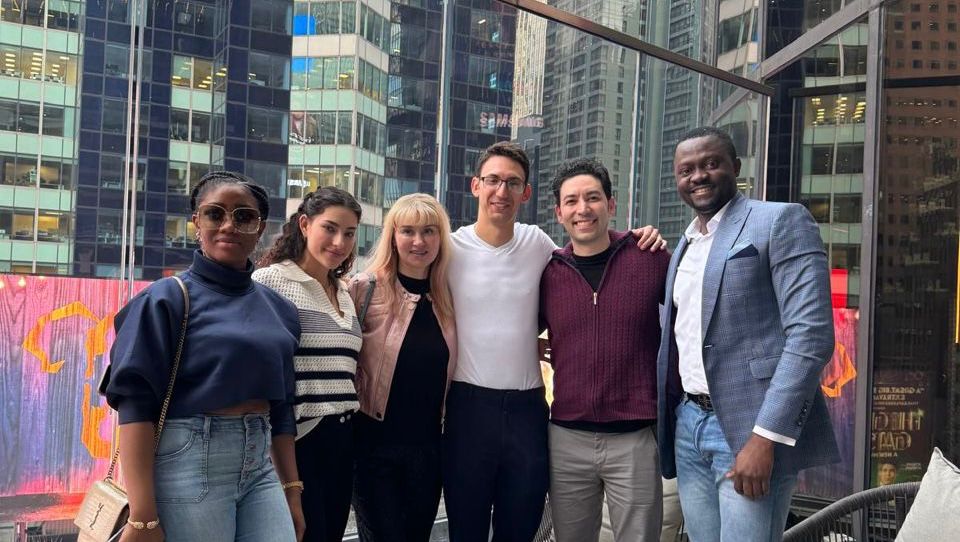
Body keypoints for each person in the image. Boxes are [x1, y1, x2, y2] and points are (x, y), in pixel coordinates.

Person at [442, 141, 666, 542]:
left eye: (513, 183)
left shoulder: (541, 247)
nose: (502, 191)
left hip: (530, 411)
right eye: (493, 180)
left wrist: (642, 236)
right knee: (466, 529)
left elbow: (590, 264)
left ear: (526, 193)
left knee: (521, 529)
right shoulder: (450, 250)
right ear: (475, 185)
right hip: (470, 408)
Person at [657, 127, 839, 542]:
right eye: (686, 170)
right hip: (689, 425)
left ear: (736, 167)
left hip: (748, 430)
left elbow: (810, 336)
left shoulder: (779, 220)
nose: (698, 176)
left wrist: (765, 437)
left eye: (710, 164)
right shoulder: (685, 244)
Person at [105, 171, 303, 542]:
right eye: (215, 214)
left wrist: (292, 489)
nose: (228, 225)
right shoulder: (164, 299)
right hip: (189, 462)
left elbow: (282, 407)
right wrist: (143, 517)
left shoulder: (280, 310)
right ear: (197, 222)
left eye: (244, 216)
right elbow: (135, 408)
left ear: (260, 228)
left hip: (260, 467)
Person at [540, 158, 670, 541]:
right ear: (559, 213)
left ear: (611, 204)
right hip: (567, 437)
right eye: (572, 201)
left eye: (593, 198)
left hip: (635, 437)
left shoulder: (650, 258)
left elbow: (692, 321)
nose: (583, 209)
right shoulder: (548, 273)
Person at [253, 187, 363, 542]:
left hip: (344, 439)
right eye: (329, 228)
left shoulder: (343, 290)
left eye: (349, 233)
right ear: (304, 224)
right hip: (299, 440)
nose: (339, 242)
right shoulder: (270, 282)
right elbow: (264, 376)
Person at [348, 193, 458, 541]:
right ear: (392, 236)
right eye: (408, 231)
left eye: (429, 231)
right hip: (373, 448)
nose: (418, 241)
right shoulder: (364, 288)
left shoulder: (448, 297)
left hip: (428, 451)